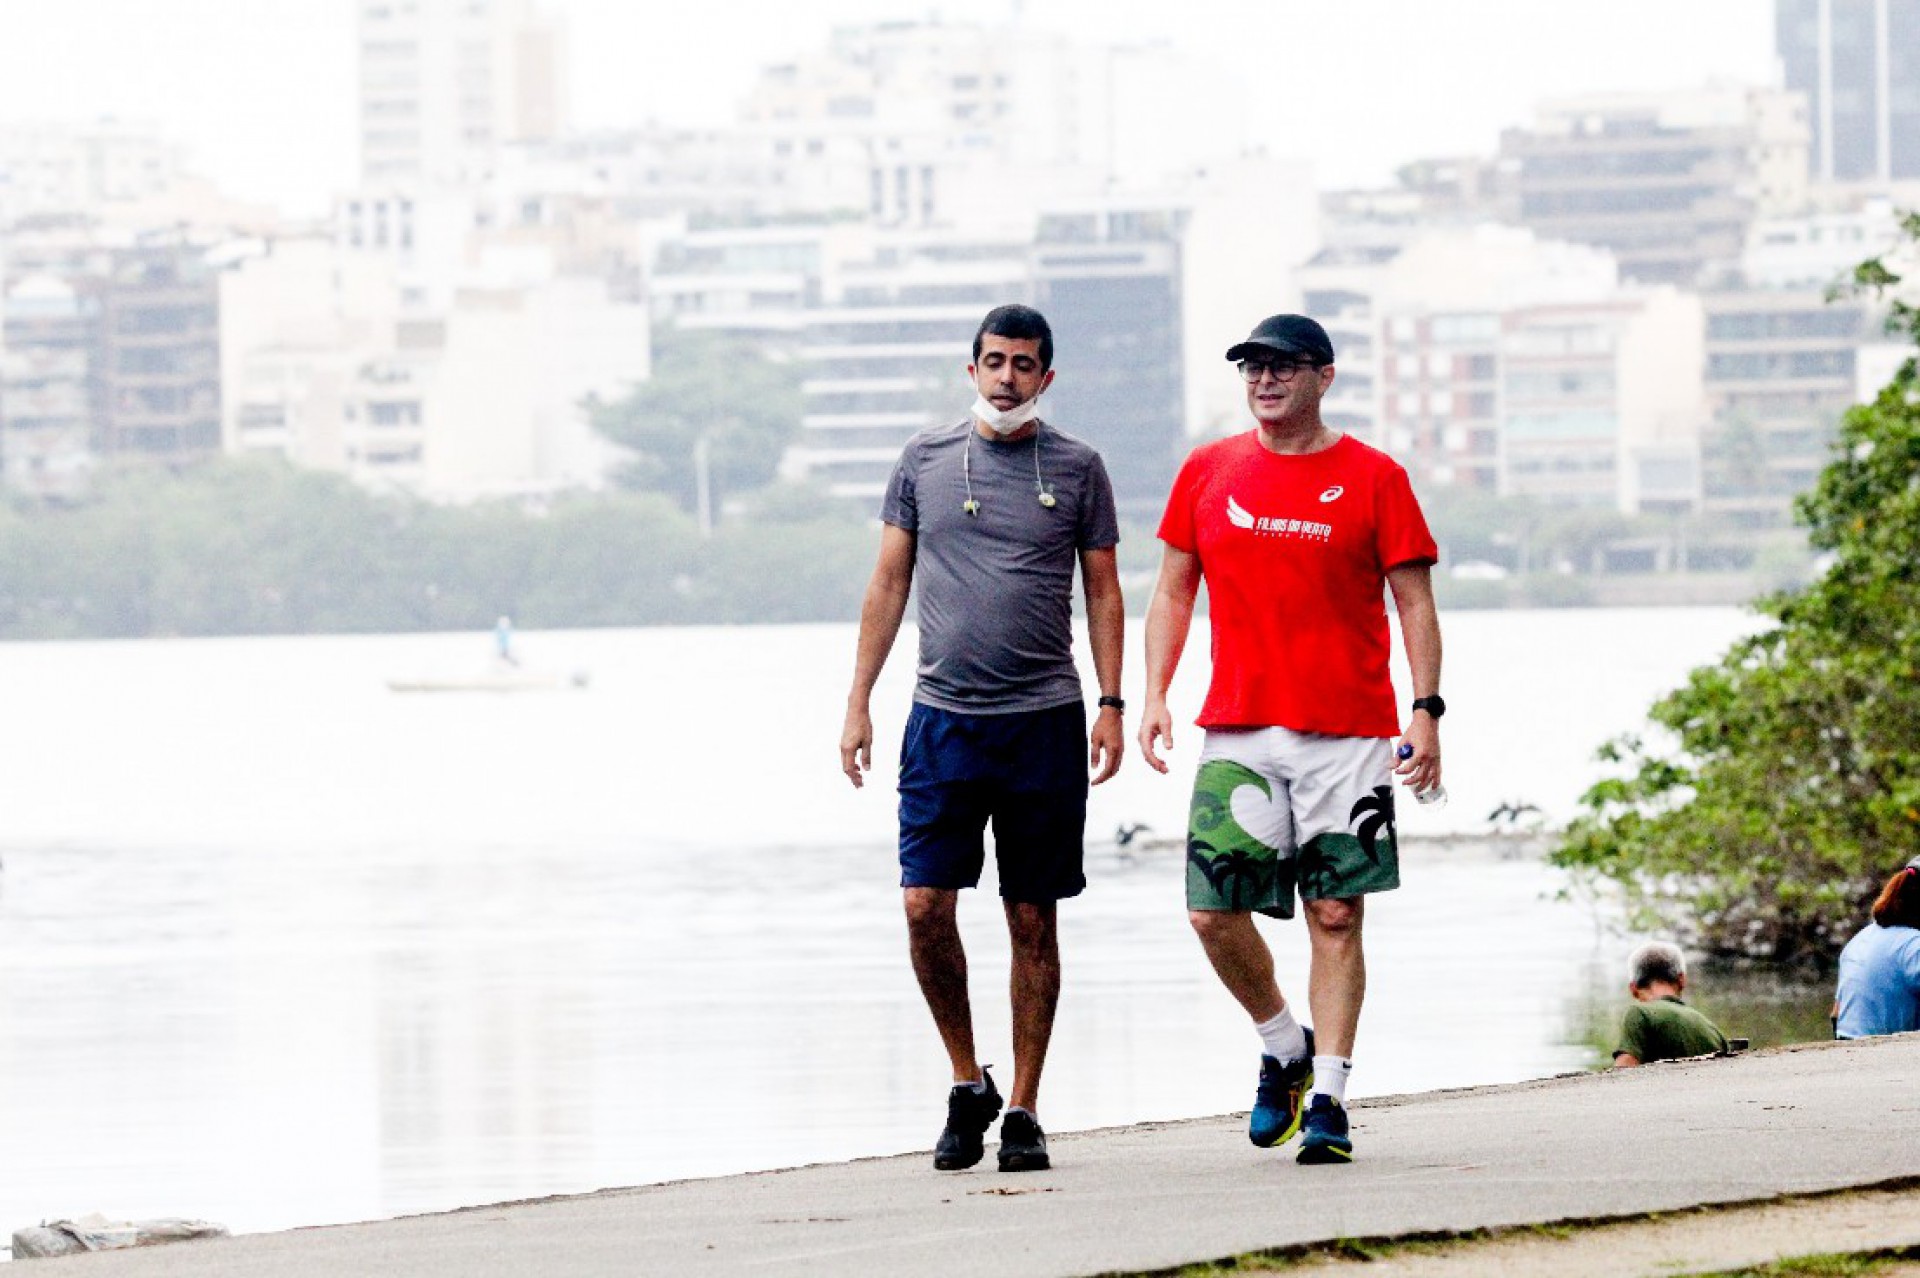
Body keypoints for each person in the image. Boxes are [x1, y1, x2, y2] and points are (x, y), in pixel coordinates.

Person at [1138, 313, 1442, 1166]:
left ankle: (1334, 1101)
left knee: (1336, 914)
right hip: (1238, 726)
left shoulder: (1375, 478)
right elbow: (1171, 591)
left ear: (1324, 376)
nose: (1264, 380)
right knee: (1210, 911)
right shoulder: (1209, 471)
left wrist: (1427, 709)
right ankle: (1283, 1046)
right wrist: (1154, 693)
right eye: (1252, 368)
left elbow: (1414, 602)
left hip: (1347, 731)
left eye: (1282, 367)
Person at [839, 304, 1125, 1174]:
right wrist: (858, 701)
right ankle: (969, 1081)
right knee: (925, 906)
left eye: (1024, 364)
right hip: (942, 720)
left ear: (1046, 377)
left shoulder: (1078, 467)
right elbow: (889, 583)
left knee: (1030, 915)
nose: (1007, 377)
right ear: (971, 370)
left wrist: (1114, 702)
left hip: (1043, 720)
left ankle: (1027, 1108)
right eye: (994, 361)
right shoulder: (923, 462)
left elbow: (1105, 592)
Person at [1834, 856, 1920, 1039]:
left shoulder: (1859, 939)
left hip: (1846, 1047)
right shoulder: (1914, 945)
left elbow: (1836, 1013)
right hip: (1886, 1055)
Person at [1612, 941, 1730, 1067]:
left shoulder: (1640, 1014)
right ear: (1682, 980)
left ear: (1633, 989)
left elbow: (1624, 1070)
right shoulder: (1711, 1029)